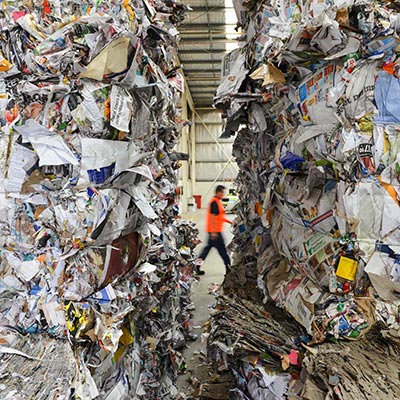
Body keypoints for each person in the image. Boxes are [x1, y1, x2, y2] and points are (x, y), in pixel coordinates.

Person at [196, 185, 232, 275]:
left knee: (206, 250)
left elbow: (219, 217)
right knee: (222, 251)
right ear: (218, 192)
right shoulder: (214, 202)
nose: (223, 194)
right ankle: (228, 267)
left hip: (214, 231)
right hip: (215, 232)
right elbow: (212, 218)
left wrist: (230, 222)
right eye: (222, 192)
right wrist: (213, 232)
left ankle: (197, 266)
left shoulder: (217, 201)